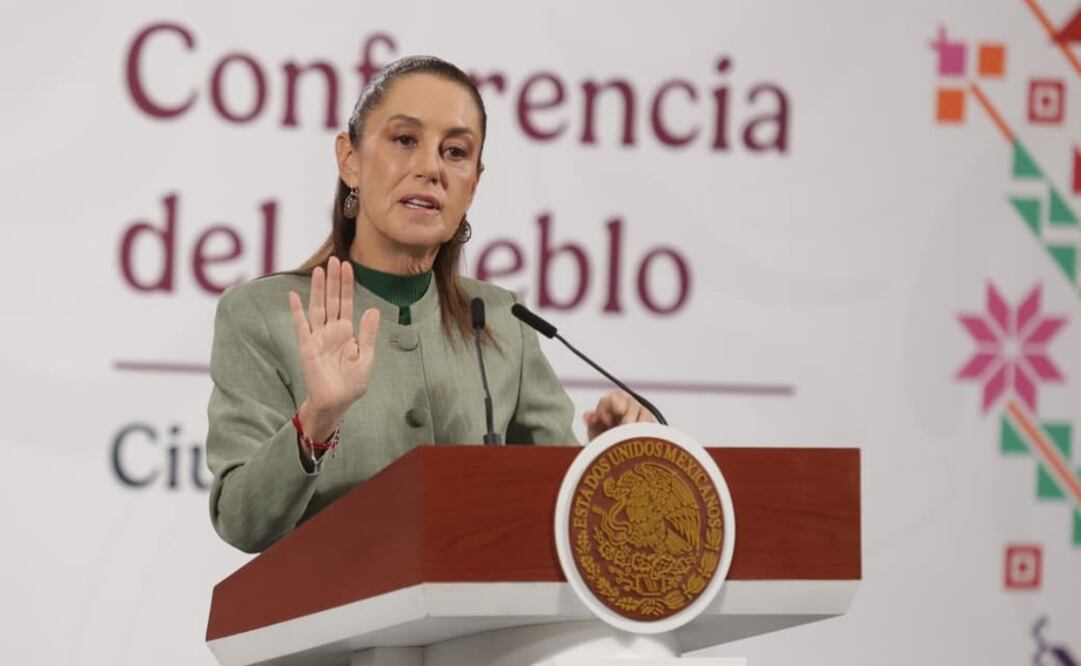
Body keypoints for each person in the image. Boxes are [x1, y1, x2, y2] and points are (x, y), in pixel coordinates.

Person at [206, 56, 653, 553]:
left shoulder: (503, 320)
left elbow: (558, 519)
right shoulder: (263, 314)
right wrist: (317, 421)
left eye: (455, 152)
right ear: (349, 159)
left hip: (482, 628)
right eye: (404, 141)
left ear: (473, 184)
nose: (430, 168)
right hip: (339, 628)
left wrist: (610, 464)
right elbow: (241, 521)